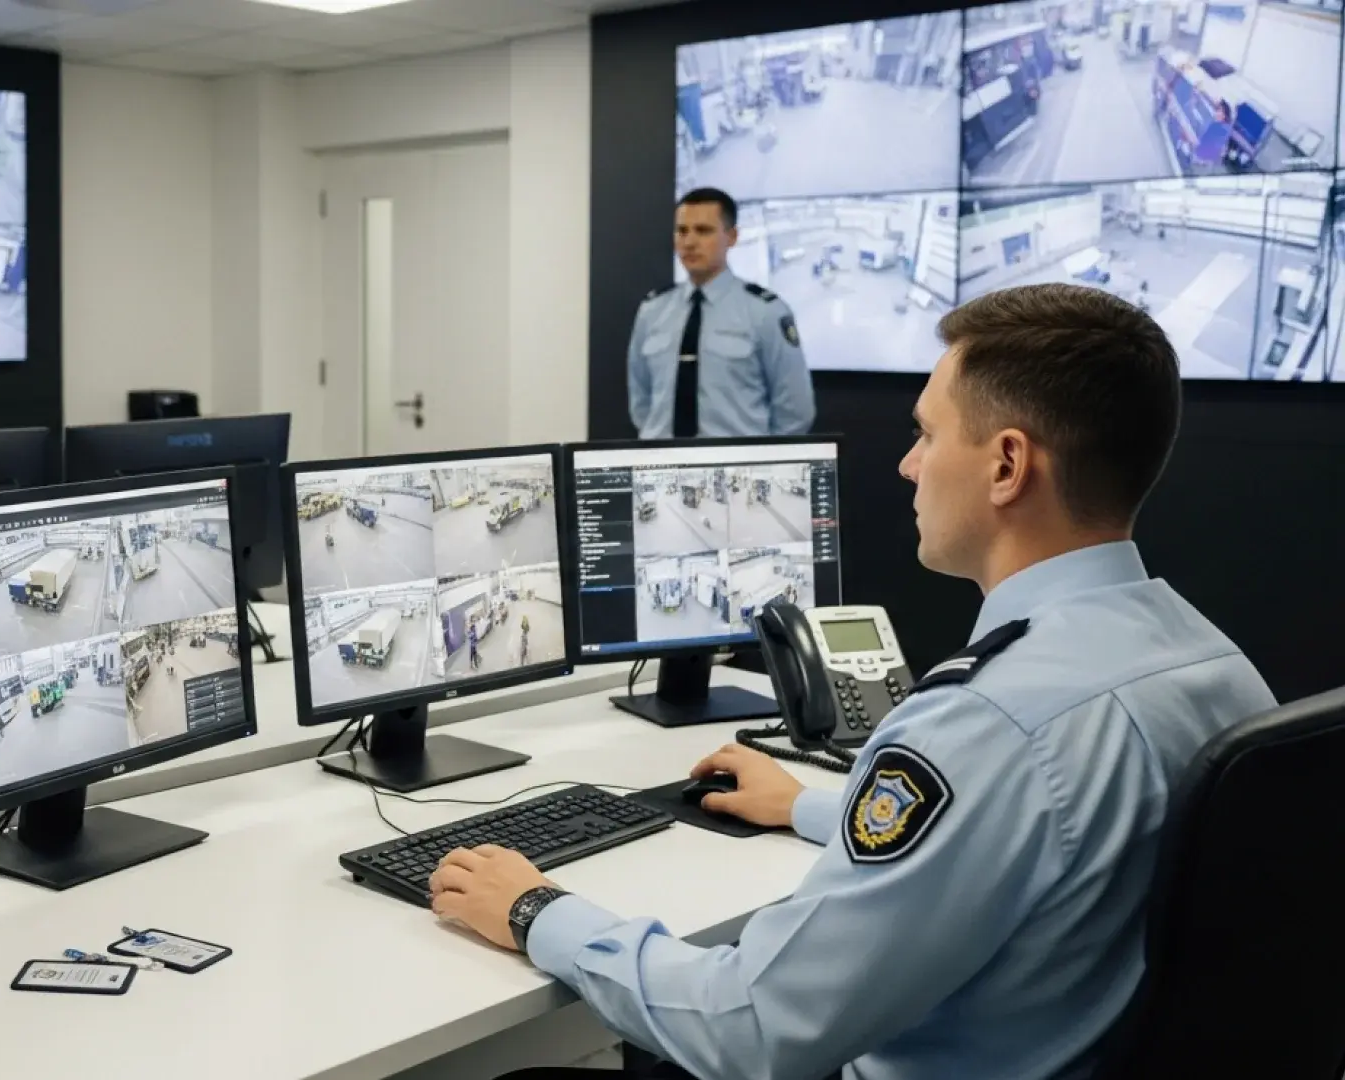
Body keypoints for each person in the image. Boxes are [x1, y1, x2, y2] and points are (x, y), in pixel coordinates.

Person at [427, 283, 1277, 1080]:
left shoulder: (983, 723)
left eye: (928, 434)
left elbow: (753, 1028)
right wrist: (807, 804)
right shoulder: (1214, 665)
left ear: (1007, 465)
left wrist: (538, 910)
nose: (909, 466)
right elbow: (1037, 827)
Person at [628, 188, 814, 440]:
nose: (689, 242)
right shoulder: (652, 310)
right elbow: (641, 403)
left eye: (703, 230)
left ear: (732, 236)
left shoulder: (765, 312)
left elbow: (795, 412)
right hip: (660, 468)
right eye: (682, 231)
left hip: (736, 472)